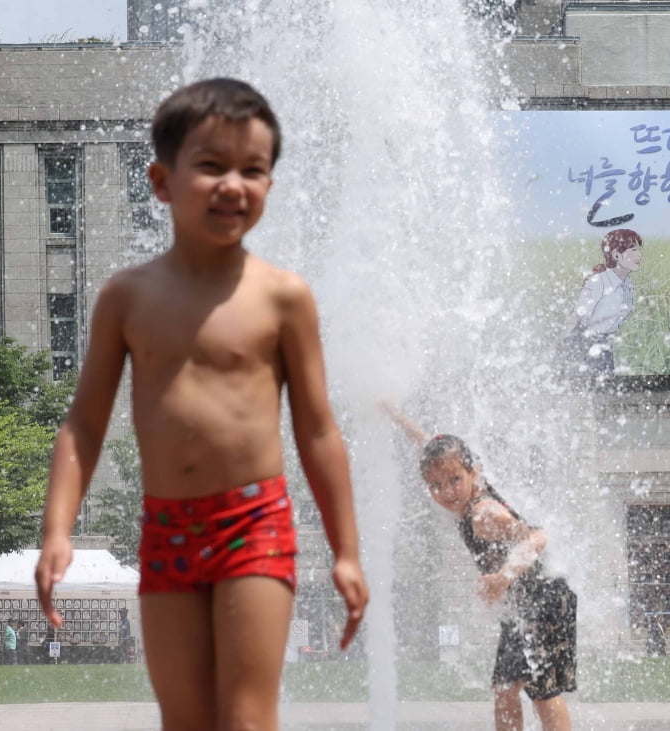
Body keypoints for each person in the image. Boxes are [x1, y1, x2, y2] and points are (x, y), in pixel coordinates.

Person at [33, 77, 368, 731]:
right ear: (161, 181)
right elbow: (84, 423)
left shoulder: (282, 297)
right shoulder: (127, 298)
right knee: (184, 720)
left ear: (270, 184)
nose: (233, 184)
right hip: (167, 528)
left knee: (245, 719)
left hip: (255, 526)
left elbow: (319, 429)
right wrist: (57, 529)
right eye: (211, 166)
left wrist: (346, 548)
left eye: (253, 169)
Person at [384, 404, 576, 731]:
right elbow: (428, 444)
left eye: (454, 480)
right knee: (505, 688)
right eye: (435, 485)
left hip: (544, 597)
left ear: (474, 472)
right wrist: (394, 414)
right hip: (525, 600)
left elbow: (537, 536)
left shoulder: (483, 515)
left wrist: (503, 577)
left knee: (542, 689)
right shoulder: (461, 478)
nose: (446, 492)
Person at [560, 228, 643, 379]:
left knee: (606, 390)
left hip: (605, 344)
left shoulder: (627, 284)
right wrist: (558, 347)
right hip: (585, 344)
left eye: (639, 250)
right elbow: (577, 316)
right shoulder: (599, 282)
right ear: (616, 255)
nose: (639, 255)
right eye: (633, 250)